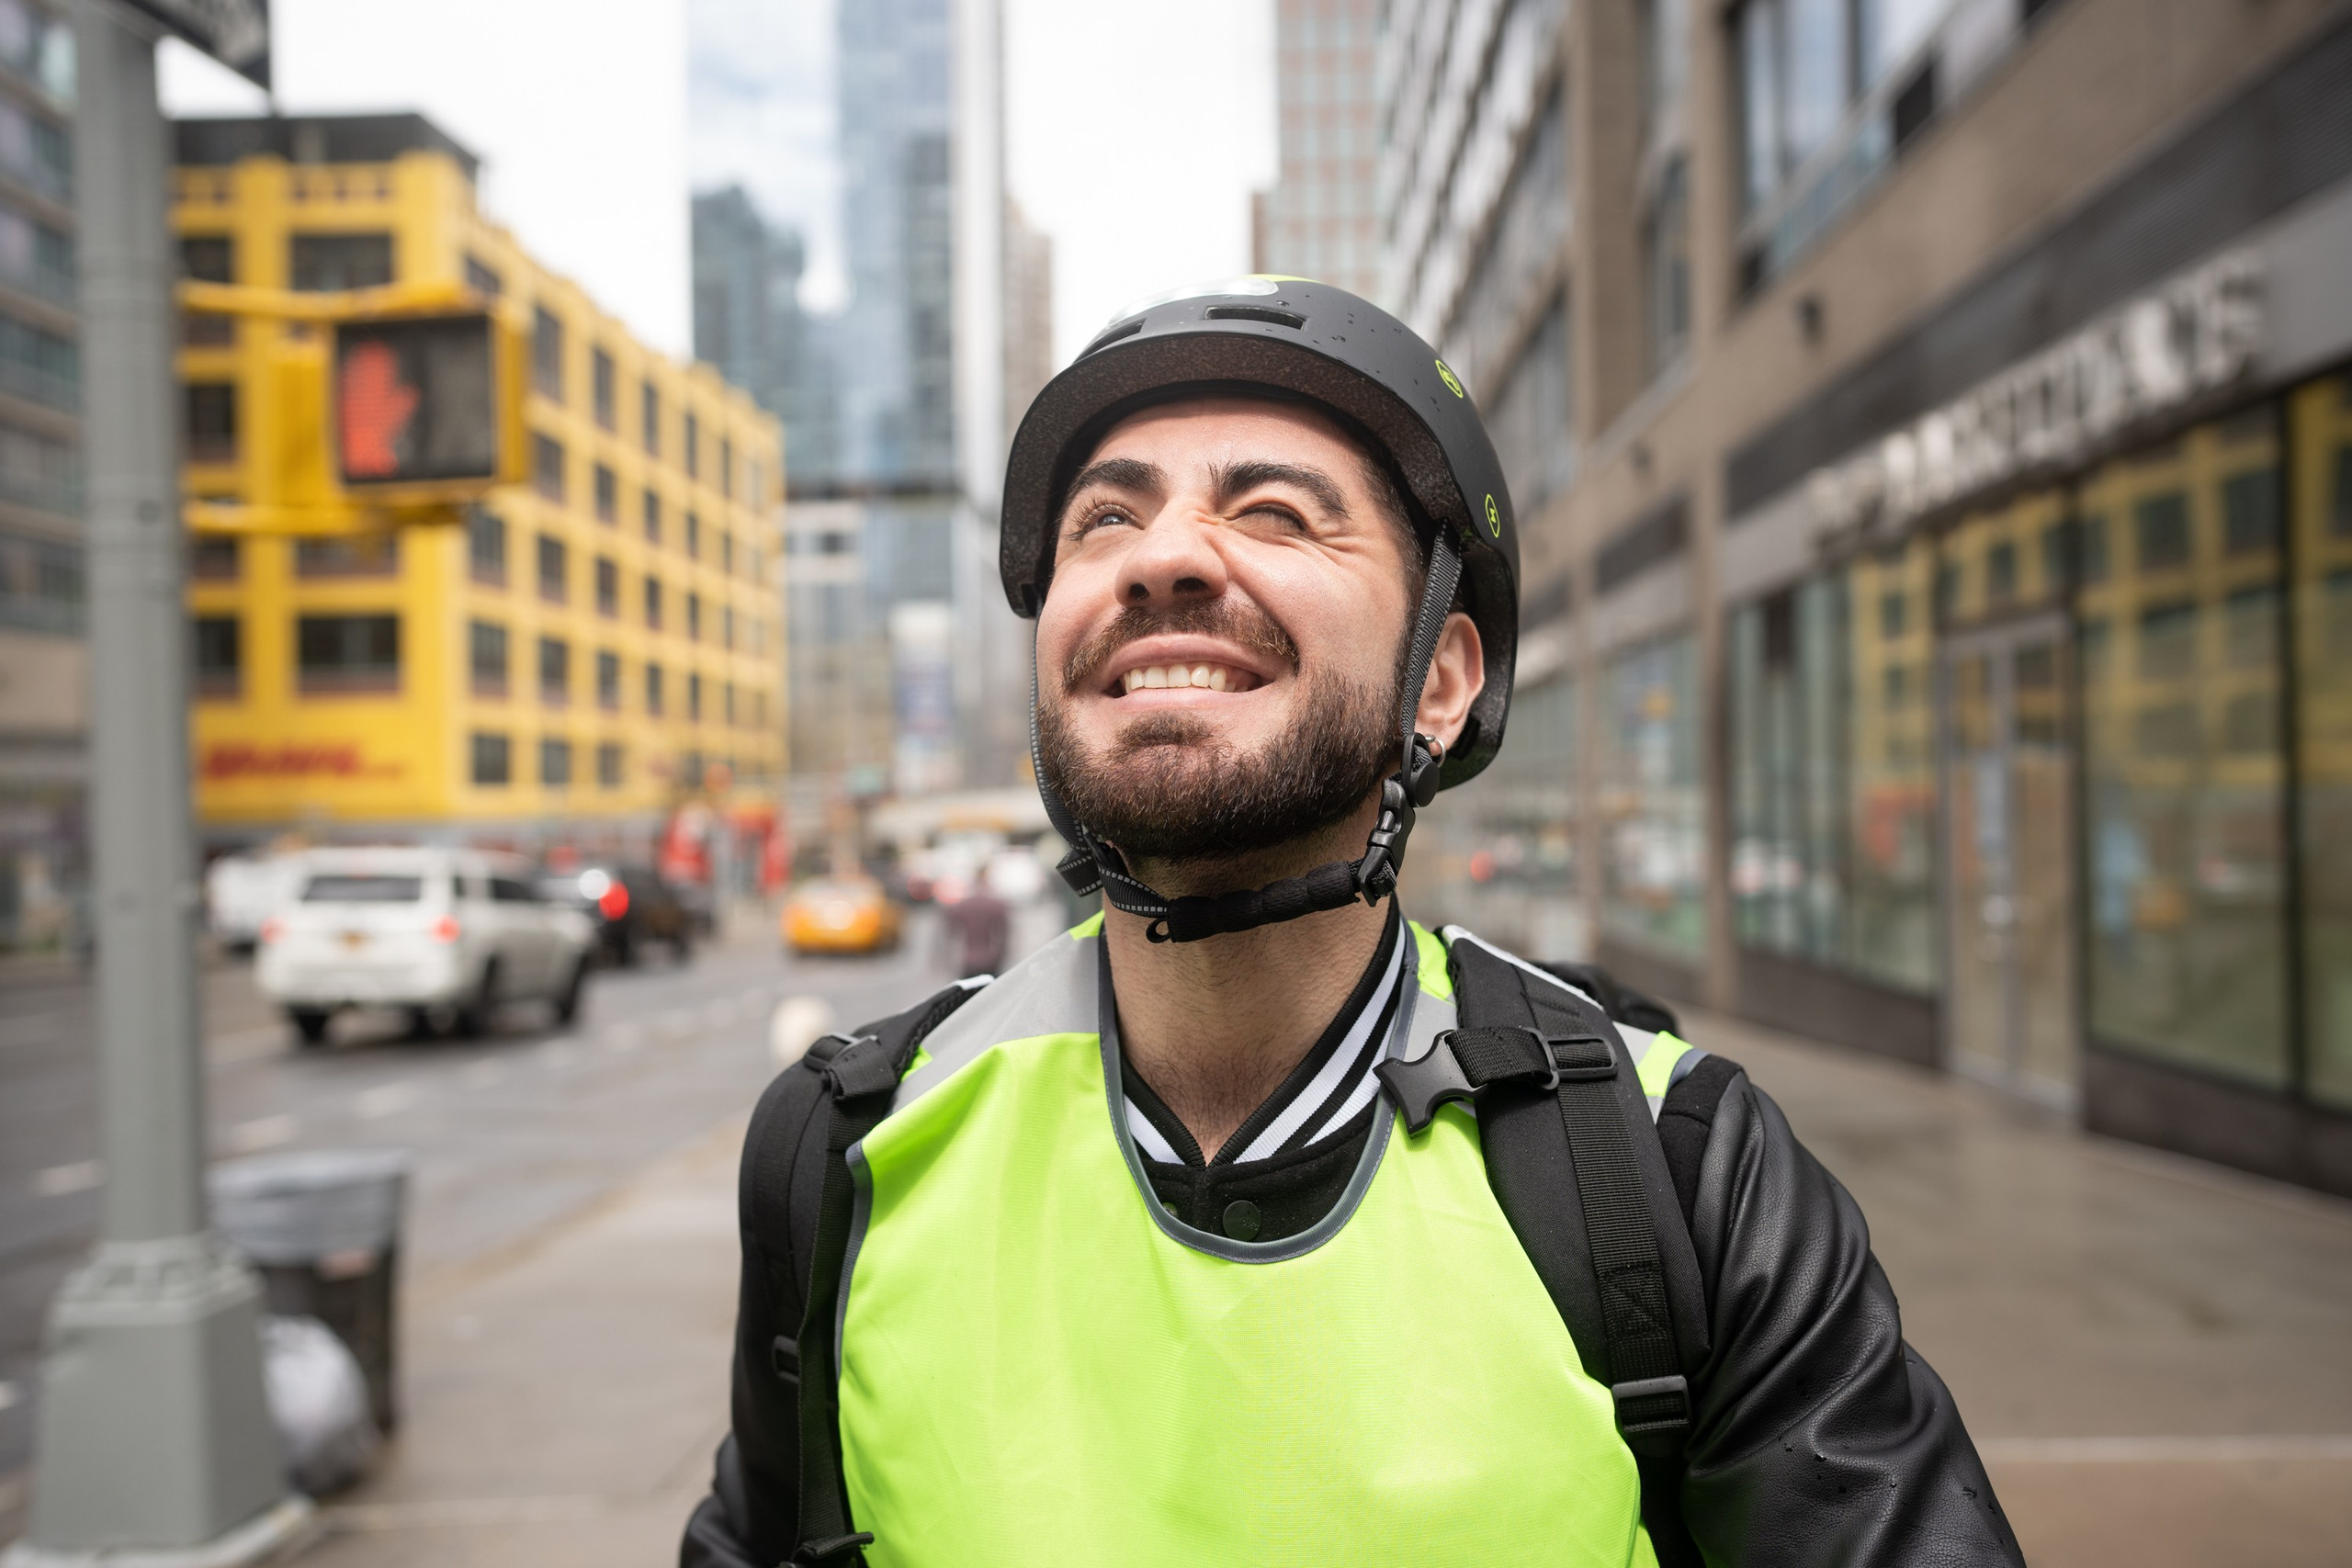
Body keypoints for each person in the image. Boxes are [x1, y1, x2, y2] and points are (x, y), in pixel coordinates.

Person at [681, 279, 2025, 1567]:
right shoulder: (843, 1148)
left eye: (1273, 512)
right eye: (1105, 520)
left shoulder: (1677, 1165)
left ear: (1440, 682)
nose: (1162, 556)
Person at [938, 863, 1010, 979]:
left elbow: (949, 934)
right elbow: (1004, 936)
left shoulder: (962, 906)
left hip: (968, 959)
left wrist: (947, 959)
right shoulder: (996, 905)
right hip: (989, 958)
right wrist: (1000, 956)